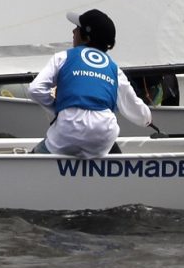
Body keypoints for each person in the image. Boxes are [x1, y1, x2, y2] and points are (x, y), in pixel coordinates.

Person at [28, 9, 153, 159]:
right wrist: (147, 121)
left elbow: (35, 90)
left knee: (37, 155)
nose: (73, 31)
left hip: (68, 129)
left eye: (77, 28)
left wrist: (59, 108)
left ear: (86, 37)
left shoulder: (63, 57)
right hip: (103, 132)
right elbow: (134, 106)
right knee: (106, 148)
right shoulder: (114, 68)